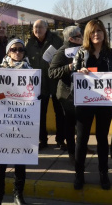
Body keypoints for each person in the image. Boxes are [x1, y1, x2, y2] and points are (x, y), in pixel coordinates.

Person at [72, 20, 112, 190]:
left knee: (102, 138)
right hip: (85, 103)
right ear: (88, 34)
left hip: (106, 103)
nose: (96, 34)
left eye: (99, 31)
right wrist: (79, 71)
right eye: (93, 31)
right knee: (82, 139)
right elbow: (73, 76)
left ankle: (104, 173)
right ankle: (79, 174)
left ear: (104, 33)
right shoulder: (81, 53)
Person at [0, 39, 31, 205]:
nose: (17, 52)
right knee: (1, 163)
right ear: (8, 52)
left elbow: (37, 94)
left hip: (23, 121)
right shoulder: (1, 71)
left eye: (20, 49)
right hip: (4, 121)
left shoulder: (31, 71)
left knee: (20, 162)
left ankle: (18, 195)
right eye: (14, 49)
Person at [26, 19, 65, 150]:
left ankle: (60, 140)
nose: (37, 30)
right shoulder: (29, 43)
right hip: (38, 84)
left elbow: (64, 57)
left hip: (55, 81)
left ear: (46, 28)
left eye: (40, 27)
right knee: (40, 114)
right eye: (35, 27)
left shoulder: (56, 40)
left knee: (59, 113)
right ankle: (42, 140)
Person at [48, 25, 83, 165]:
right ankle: (72, 152)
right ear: (71, 39)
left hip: (80, 92)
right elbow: (52, 72)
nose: (82, 38)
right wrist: (68, 68)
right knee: (69, 124)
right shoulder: (63, 51)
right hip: (67, 95)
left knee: (81, 124)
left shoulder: (82, 49)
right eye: (79, 36)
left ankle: (81, 148)